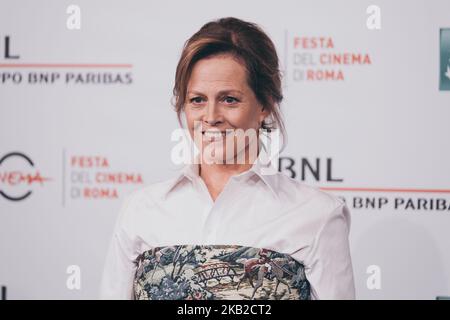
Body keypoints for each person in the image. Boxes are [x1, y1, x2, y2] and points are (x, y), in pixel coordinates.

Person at [100, 17, 355, 300]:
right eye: (197, 99)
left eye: (229, 99)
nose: (211, 117)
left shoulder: (317, 215)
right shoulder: (140, 210)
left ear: (265, 104)